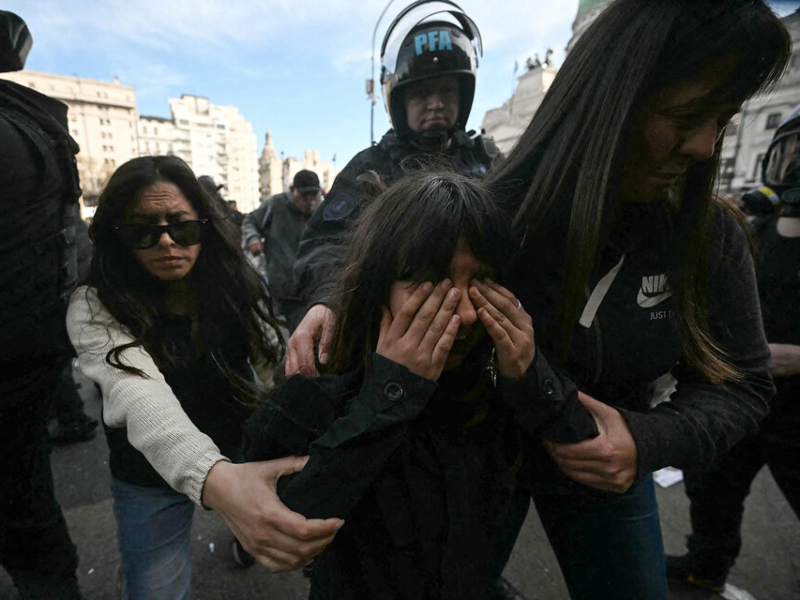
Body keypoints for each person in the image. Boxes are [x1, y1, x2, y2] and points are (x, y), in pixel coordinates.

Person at [482, 1, 791, 598]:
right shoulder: (490, 219)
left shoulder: (710, 237)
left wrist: (646, 439)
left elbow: (743, 384)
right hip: (483, 455)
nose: (704, 147)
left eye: (723, 120)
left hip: (606, 463)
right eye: (687, 116)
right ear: (610, 100)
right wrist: (333, 306)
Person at [243, 170, 597, 600]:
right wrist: (390, 394)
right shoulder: (324, 380)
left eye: (481, 279)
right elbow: (287, 523)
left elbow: (581, 452)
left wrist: (529, 373)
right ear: (378, 284)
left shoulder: (495, 378)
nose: (465, 313)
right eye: (431, 282)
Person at [66, 156, 343, 599]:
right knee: (154, 590)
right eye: (143, 230)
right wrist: (215, 480)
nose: (166, 241)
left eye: (182, 226)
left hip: (240, 448)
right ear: (117, 235)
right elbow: (135, 392)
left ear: (205, 226)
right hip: (147, 474)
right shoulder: (94, 304)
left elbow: (273, 361)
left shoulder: (232, 281)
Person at [287, 0, 500, 363]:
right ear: (398, 101)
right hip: (392, 347)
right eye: (421, 94)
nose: (436, 104)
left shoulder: (489, 162)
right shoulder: (368, 168)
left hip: (480, 342)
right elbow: (326, 245)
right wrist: (328, 302)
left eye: (447, 91)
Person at [666, 106, 800, 595]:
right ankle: (706, 566)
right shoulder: (756, 229)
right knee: (712, 488)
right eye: (791, 155)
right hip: (743, 399)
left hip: (796, 409)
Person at [0, 11, 84, 599]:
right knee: (28, 513)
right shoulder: (33, 122)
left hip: (19, 360)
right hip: (32, 352)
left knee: (27, 520)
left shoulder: (17, 127)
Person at [242, 169, 321, 323]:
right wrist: (253, 238)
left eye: (314, 196)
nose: (310, 202)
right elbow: (250, 221)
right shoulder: (276, 204)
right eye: (305, 196)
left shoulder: (321, 210)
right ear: (293, 191)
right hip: (281, 288)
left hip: (310, 291)